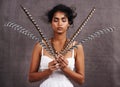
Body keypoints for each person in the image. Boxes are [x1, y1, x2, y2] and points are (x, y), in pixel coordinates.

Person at [28, 4, 85, 87]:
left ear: (69, 23)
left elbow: (81, 80)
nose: (59, 23)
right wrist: (48, 71)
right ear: (51, 22)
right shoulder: (40, 45)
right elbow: (31, 78)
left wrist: (65, 69)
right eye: (56, 20)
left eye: (63, 20)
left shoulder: (77, 47)